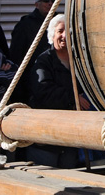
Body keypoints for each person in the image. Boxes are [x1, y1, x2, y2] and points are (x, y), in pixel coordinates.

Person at [26, 14, 91, 168]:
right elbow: (43, 91)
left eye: (68, 32)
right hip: (46, 136)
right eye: (60, 31)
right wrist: (73, 98)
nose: (64, 36)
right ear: (52, 35)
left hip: (71, 136)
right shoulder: (44, 61)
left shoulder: (79, 62)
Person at [8, 0, 55, 103]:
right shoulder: (25, 25)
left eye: (53, 1)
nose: (50, 3)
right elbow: (16, 55)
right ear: (36, 4)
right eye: (45, 0)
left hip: (54, 77)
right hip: (30, 80)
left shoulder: (59, 22)